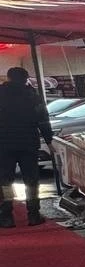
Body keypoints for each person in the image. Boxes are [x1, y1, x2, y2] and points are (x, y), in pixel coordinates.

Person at [0, 67, 55, 227]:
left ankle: (6, 216)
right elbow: (43, 120)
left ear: (8, 78)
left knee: (5, 181)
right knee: (31, 180)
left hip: (4, 144)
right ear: (26, 79)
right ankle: (33, 214)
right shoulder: (32, 96)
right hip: (28, 144)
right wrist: (49, 140)